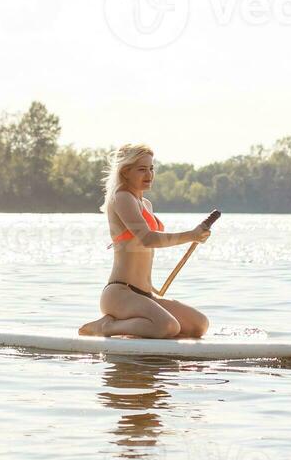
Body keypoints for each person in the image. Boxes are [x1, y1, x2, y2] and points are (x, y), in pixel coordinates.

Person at [78, 144, 213, 339]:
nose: (149, 174)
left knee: (199, 325)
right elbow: (148, 239)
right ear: (126, 172)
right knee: (168, 326)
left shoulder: (146, 204)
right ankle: (106, 327)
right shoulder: (122, 197)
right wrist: (191, 235)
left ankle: (146, 332)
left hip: (144, 294)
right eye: (142, 169)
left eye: (151, 168)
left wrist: (195, 236)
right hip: (120, 294)